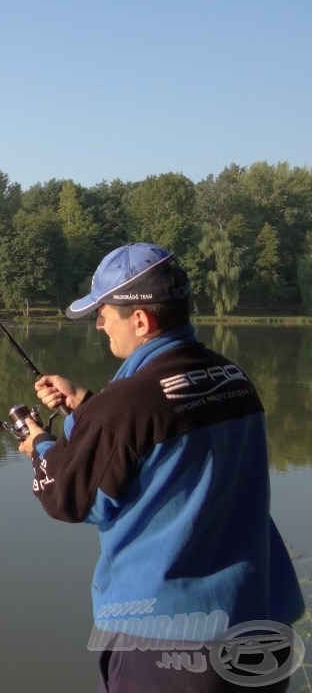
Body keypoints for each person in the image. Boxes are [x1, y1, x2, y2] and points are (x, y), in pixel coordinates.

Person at [18, 243, 305, 692]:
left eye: (104, 312)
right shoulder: (232, 378)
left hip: (174, 643)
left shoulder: (126, 405)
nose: (99, 324)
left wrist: (40, 444)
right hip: (261, 620)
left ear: (140, 320)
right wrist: (86, 407)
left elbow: (70, 497)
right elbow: (159, 444)